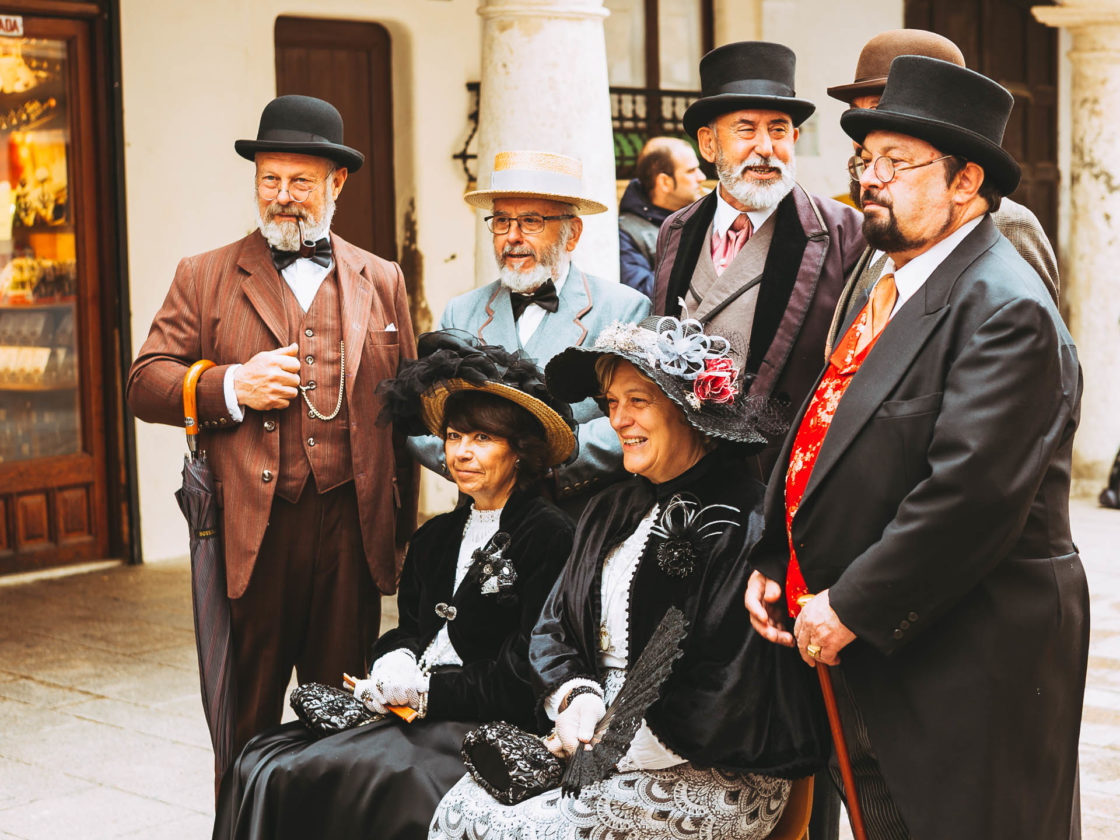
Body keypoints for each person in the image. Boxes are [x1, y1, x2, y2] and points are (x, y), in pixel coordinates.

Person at [745, 56, 1086, 840]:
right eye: (866, 160)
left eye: (897, 164)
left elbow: (968, 498)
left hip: (967, 655)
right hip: (875, 640)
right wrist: (774, 556)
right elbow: (833, 426)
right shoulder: (892, 281)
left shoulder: (1005, 307)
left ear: (966, 183)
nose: (871, 179)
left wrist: (854, 604)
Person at [430, 315, 830, 840]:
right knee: (458, 809)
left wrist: (611, 743)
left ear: (689, 412)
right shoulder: (608, 508)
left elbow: (732, 682)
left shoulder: (744, 518)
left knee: (522, 831)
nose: (618, 420)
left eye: (637, 401)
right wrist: (575, 698)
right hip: (591, 734)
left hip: (709, 762)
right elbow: (555, 627)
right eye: (612, 403)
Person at [127, 95, 419, 764]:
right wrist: (230, 385)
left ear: (336, 184)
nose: (283, 197)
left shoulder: (382, 278)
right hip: (250, 534)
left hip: (351, 529)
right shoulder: (204, 275)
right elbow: (145, 381)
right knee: (245, 726)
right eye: (270, 179)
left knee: (345, 726)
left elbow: (410, 408)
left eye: (301, 182)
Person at [212, 331, 578, 840]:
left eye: (482, 439)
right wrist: (394, 658)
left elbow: (526, 672)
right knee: (261, 759)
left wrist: (431, 693)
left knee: (333, 774)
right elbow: (411, 629)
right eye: (454, 437)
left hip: (480, 726)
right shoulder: (435, 536)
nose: (462, 454)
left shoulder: (550, 536)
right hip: (409, 715)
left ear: (520, 452)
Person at [651, 41, 865, 481]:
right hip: (684, 471)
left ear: (796, 140)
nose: (766, 148)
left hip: (782, 476)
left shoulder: (847, 233)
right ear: (709, 144)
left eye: (780, 130)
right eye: (746, 130)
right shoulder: (676, 230)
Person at [410, 150, 651, 512]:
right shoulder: (460, 311)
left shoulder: (624, 309)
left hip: (579, 516)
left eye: (531, 221)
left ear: (572, 233)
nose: (512, 237)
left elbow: (636, 419)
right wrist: (476, 466)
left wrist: (545, 460)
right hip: (481, 514)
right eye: (502, 221)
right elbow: (421, 417)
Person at [823, 29, 1060, 361]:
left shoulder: (1008, 224)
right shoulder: (880, 213)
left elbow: (1035, 354)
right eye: (857, 115)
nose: (862, 137)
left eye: (879, 111)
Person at [618, 137, 705, 298]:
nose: (702, 177)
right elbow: (641, 295)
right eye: (691, 171)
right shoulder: (626, 232)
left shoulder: (703, 216)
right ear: (665, 182)